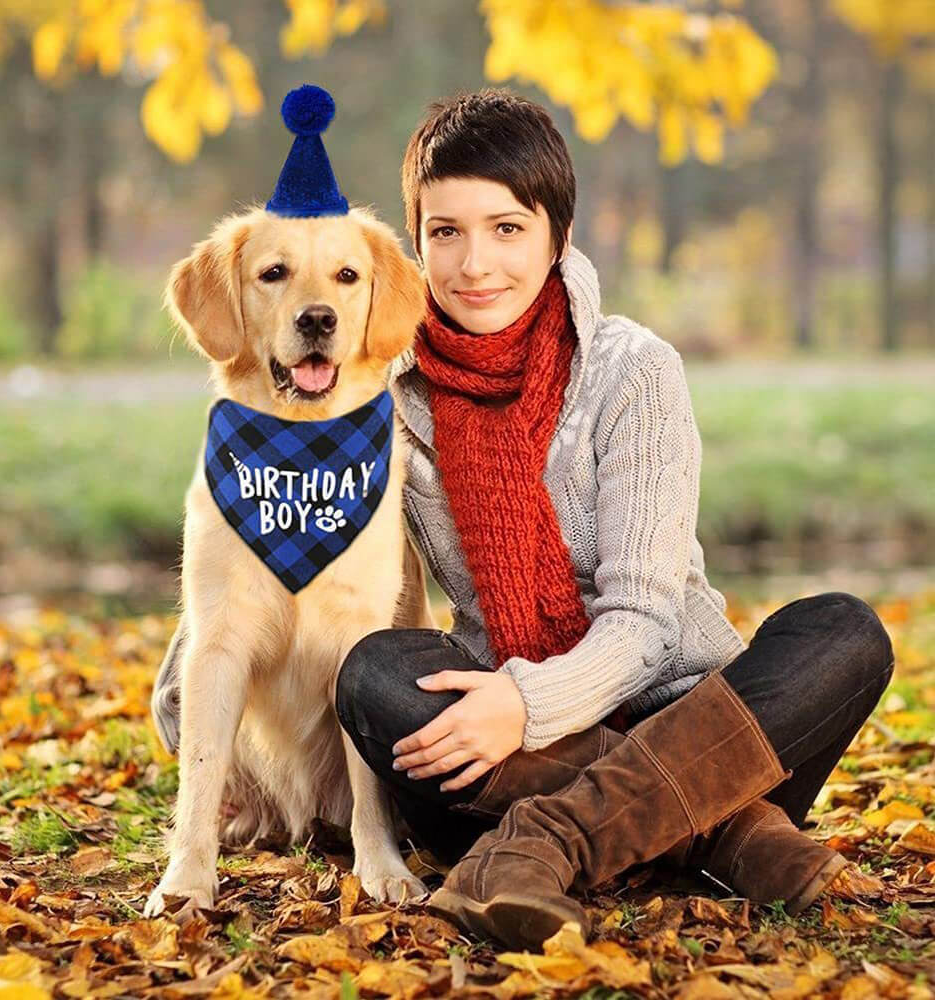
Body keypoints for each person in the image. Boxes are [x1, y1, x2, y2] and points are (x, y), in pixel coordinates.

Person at [151, 88, 894, 948]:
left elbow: (648, 621)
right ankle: (726, 837)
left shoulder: (633, 372)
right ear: (420, 245)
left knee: (841, 633)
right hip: (500, 761)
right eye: (446, 233)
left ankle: (548, 845)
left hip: (680, 719)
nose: (475, 265)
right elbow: (265, 584)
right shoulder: (382, 400)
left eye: (507, 229)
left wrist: (528, 704)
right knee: (378, 674)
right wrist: (196, 701)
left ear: (558, 237)